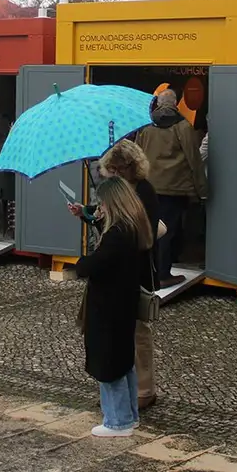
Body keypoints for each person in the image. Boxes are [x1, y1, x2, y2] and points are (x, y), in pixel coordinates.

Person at [68, 140, 161, 410]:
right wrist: (87, 214)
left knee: (137, 332)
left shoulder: (144, 191)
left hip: (133, 272)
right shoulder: (118, 192)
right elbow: (107, 222)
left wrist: (98, 256)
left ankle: (143, 389)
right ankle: (120, 396)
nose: (109, 175)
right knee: (115, 337)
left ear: (125, 169)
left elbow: (139, 233)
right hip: (114, 271)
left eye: (113, 170)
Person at [75, 176, 153, 437]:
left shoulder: (117, 235)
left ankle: (117, 422)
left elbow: (93, 265)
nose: (101, 208)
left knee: (108, 363)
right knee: (123, 361)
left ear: (113, 203)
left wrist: (81, 261)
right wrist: (89, 217)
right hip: (124, 304)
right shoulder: (133, 227)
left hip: (109, 307)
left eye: (103, 204)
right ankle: (129, 417)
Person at [135, 89, 208, 288]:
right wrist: (202, 190)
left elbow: (137, 155)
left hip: (149, 187)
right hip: (174, 189)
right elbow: (194, 159)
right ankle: (164, 274)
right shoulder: (183, 126)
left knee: (150, 230)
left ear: (158, 104)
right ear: (175, 104)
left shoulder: (146, 125)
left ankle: (149, 271)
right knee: (168, 231)